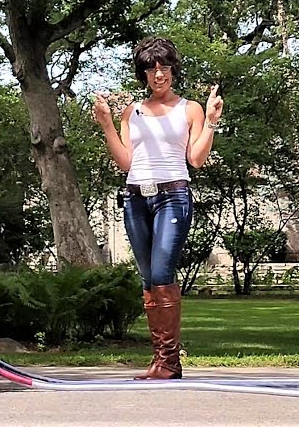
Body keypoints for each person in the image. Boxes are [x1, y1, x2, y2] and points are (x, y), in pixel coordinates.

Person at [92, 36, 223, 380]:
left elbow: (196, 159)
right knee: (149, 278)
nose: (158, 74)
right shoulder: (131, 112)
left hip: (172, 197)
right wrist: (106, 123)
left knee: (163, 273)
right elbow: (125, 163)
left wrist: (210, 121)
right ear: (143, 74)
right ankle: (163, 360)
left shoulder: (189, 108)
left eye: (163, 67)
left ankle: (168, 361)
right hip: (135, 198)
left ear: (173, 70)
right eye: (151, 69)